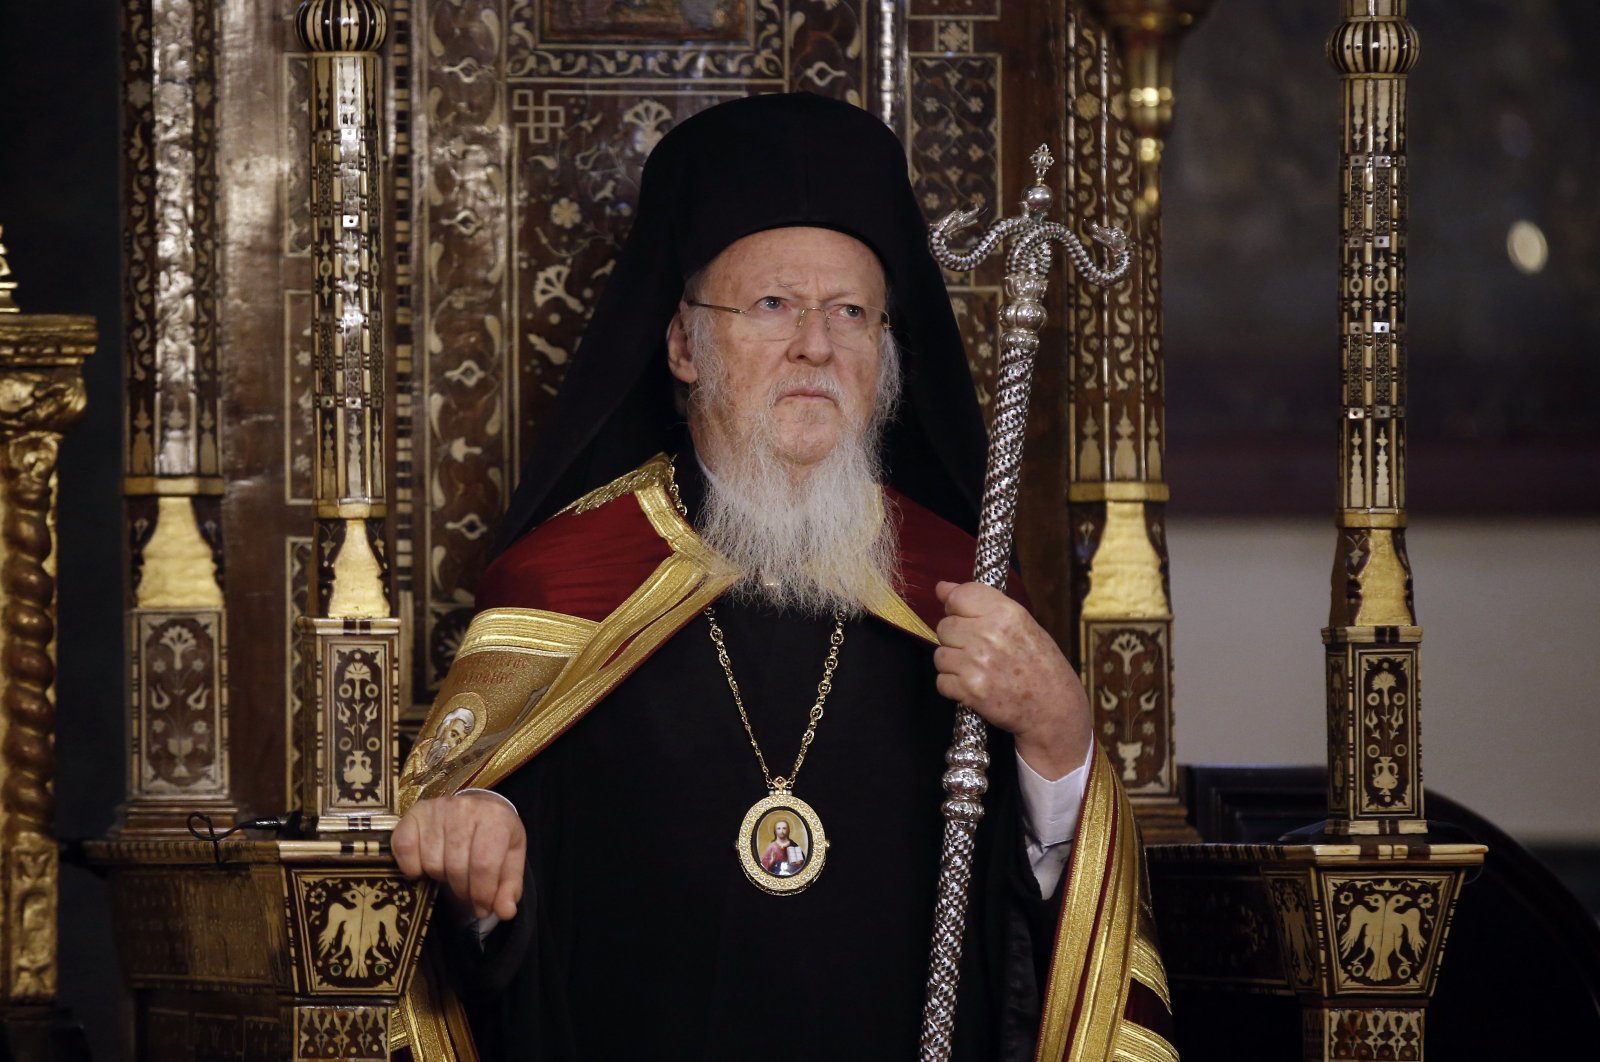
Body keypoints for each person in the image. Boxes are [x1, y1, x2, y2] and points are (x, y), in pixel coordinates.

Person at [391, 92, 1172, 1061]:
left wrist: (1058, 745)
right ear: (682, 345)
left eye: (851, 313)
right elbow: (473, 900)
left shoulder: (958, 586)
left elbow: (1039, 934)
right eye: (771, 306)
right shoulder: (570, 577)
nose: (815, 344)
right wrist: (479, 831)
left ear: (884, 354)